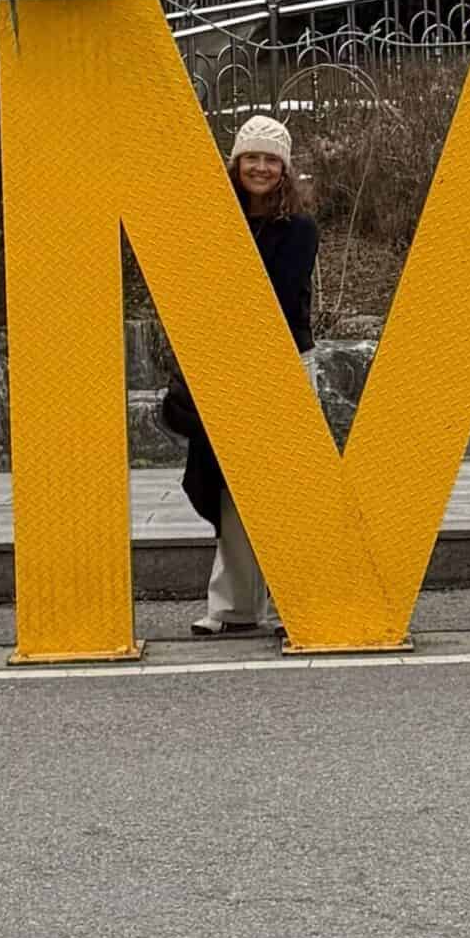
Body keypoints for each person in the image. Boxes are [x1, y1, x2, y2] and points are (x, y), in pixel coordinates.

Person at [180, 115, 317, 638]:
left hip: (282, 363)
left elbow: (280, 298)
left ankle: (296, 606)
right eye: (251, 157)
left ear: (284, 169)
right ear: (235, 163)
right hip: (225, 364)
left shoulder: (299, 229)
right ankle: (234, 607)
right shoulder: (212, 221)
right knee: (232, 490)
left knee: (290, 492)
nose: (260, 167)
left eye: (270, 159)